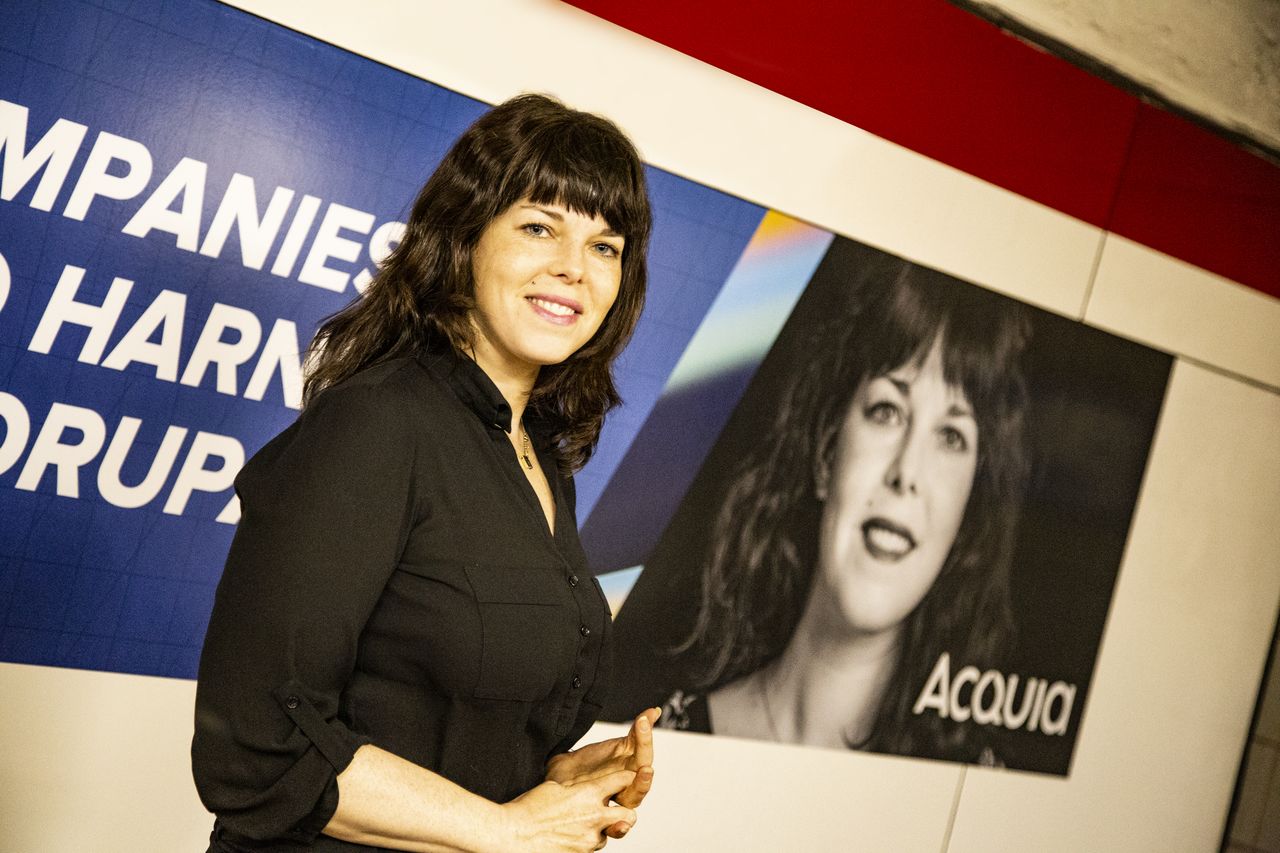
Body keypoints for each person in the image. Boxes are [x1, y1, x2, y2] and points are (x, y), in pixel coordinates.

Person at [193, 94, 661, 853]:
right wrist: (506, 827)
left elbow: (425, 711)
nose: (573, 269)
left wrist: (550, 780)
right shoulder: (375, 423)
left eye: (605, 246)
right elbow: (255, 743)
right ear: (465, 236)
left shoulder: (540, 454)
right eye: (540, 227)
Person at [657, 255, 1031, 765]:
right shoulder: (669, 738)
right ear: (826, 457)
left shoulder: (977, 781)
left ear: (968, 508)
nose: (907, 473)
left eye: (951, 436)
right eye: (887, 411)